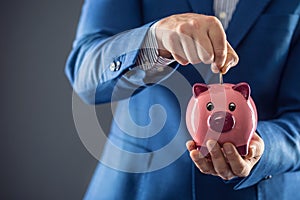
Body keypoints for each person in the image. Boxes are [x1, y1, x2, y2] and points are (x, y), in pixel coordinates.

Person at [65, 0, 300, 199]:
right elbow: (85, 71)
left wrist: (264, 148)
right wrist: (152, 40)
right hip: (141, 187)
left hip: (260, 189)